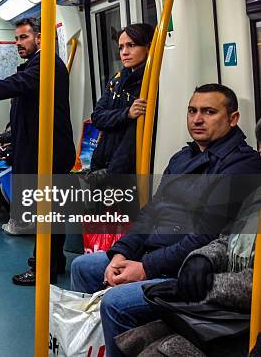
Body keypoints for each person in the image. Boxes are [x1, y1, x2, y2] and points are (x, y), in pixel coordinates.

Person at [70, 84, 261, 357]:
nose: (197, 119)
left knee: (116, 302)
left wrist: (145, 267)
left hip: (182, 267)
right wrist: (121, 252)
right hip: (152, 253)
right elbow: (151, 211)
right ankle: (94, 346)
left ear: (232, 119)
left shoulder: (242, 166)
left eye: (209, 112)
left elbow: (206, 236)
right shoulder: (182, 157)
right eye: (192, 111)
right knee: (83, 267)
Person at [0, 16, 76, 286]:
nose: (18, 43)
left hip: (50, 151)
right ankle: (52, 262)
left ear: (40, 38)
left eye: (23, 37)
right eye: (16, 38)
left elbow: (15, 84)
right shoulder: (35, 65)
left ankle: (42, 267)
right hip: (40, 148)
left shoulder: (46, 64)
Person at [90, 23, 154, 175]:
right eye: (121, 47)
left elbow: (130, 142)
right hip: (104, 161)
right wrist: (126, 114)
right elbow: (97, 117)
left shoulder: (149, 84)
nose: (124, 52)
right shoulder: (117, 80)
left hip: (126, 170)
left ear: (148, 47)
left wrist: (114, 176)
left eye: (131, 45)